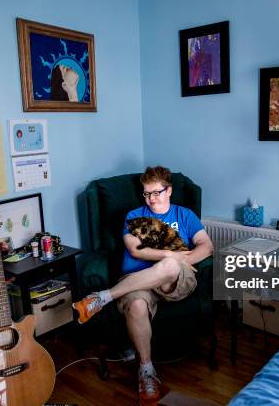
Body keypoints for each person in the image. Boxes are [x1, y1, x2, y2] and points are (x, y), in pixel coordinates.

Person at [72, 166, 214, 404]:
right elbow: (135, 250)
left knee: (169, 266)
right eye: (146, 194)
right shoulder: (134, 216)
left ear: (169, 191)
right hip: (139, 281)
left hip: (176, 280)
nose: (151, 199)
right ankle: (146, 372)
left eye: (156, 193)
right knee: (137, 305)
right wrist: (171, 254)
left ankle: (102, 297)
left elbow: (206, 246)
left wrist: (180, 260)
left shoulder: (184, 215)